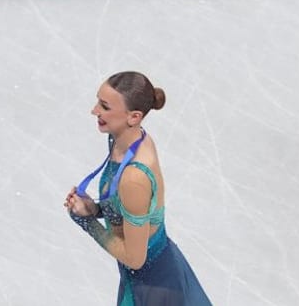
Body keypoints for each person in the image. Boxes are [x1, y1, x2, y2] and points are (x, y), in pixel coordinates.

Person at [64, 71, 212, 305]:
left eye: (104, 106)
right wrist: (96, 209)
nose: (95, 110)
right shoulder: (129, 139)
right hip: (150, 274)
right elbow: (129, 207)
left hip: (152, 287)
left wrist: (87, 223)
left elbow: (135, 259)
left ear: (133, 117)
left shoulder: (134, 177)